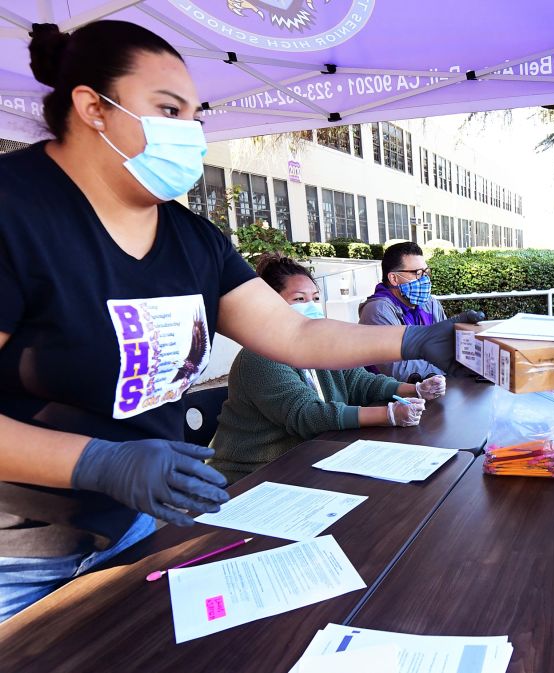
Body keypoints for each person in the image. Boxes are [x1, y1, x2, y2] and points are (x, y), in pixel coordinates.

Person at [0, 20, 475, 622]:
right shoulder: (16, 213)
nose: (190, 133)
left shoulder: (191, 239)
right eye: (168, 109)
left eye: (196, 116)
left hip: (137, 526)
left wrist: (414, 338)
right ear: (93, 107)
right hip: (15, 556)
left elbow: (294, 332)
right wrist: (97, 461)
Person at [208, 255, 448, 484]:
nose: (311, 306)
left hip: (308, 462)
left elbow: (359, 380)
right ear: (271, 306)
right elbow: (306, 415)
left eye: (314, 298)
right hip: (252, 477)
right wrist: (389, 415)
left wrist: (415, 390)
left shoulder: (315, 346)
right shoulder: (258, 356)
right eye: (299, 300)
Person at [359, 242, 448, 382]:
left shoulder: (431, 304)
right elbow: (398, 369)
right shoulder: (377, 310)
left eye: (426, 272)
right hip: (390, 398)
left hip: (435, 390)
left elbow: (448, 345)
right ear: (394, 278)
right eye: (417, 273)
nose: (425, 279)